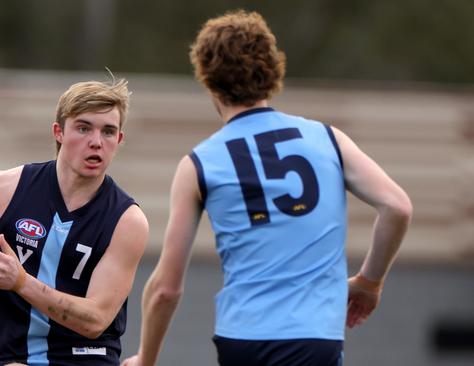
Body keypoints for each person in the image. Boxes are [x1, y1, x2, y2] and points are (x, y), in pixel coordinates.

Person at [122, 9, 412, 366]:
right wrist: (369, 283)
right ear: (272, 71)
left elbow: (165, 288)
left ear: (208, 80)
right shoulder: (328, 139)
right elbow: (397, 207)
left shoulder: (199, 163)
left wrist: (146, 359)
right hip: (314, 339)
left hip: (243, 339)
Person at [0, 77, 149, 366]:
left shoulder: (127, 221)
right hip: (10, 358)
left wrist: (21, 282)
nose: (96, 142)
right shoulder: (3, 190)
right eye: (84, 128)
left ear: (120, 140)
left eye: (108, 132)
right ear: (59, 132)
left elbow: (95, 320)